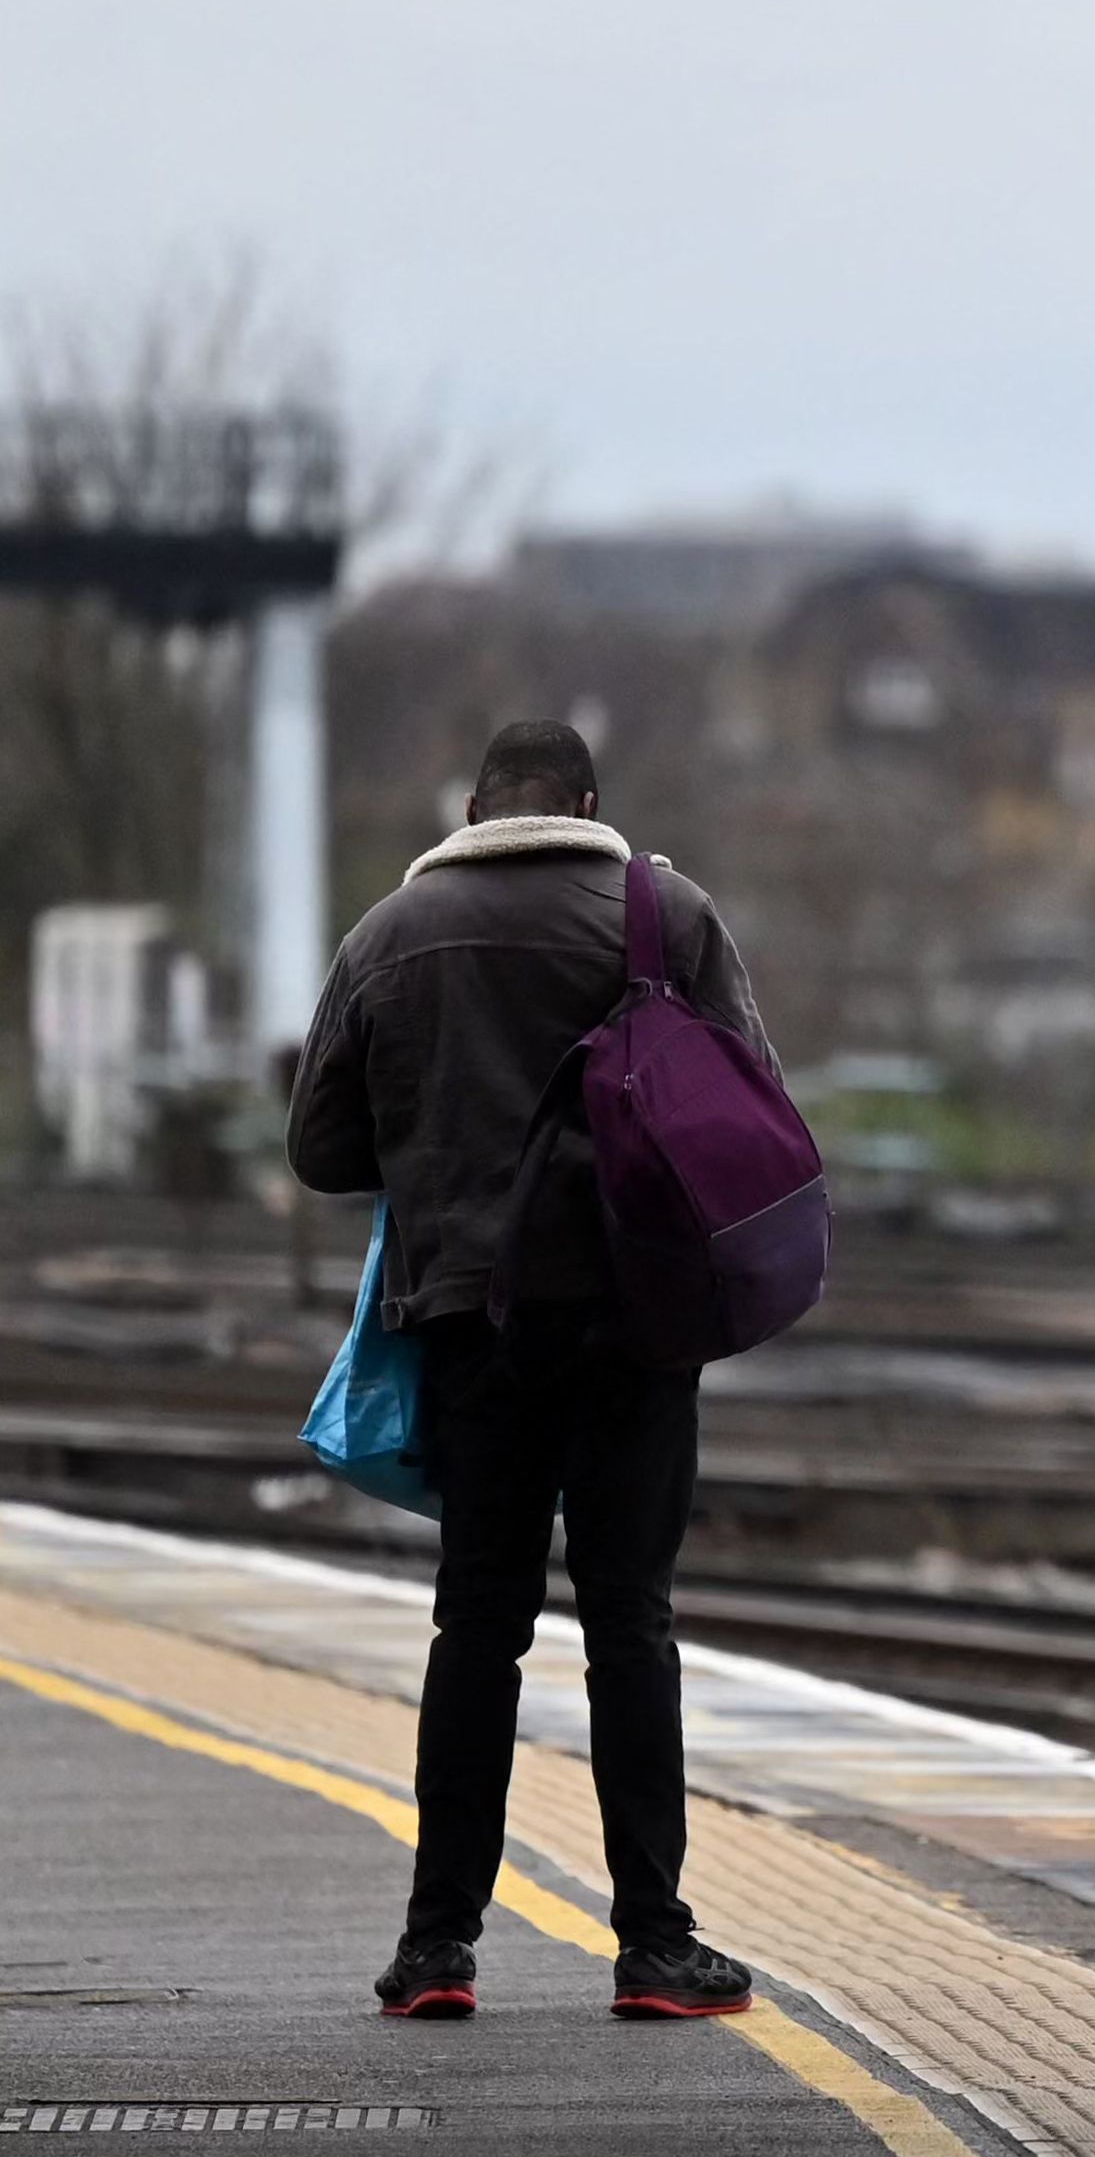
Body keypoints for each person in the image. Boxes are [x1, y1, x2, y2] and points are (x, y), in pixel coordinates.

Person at [290, 717, 773, 2023]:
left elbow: (321, 1146)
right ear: (590, 801)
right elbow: (749, 1108)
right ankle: (655, 1946)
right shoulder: (664, 911)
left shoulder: (390, 936)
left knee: (479, 1628)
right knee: (631, 1626)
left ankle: (435, 1948)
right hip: (633, 1326)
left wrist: (441, 1137)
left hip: (468, 1332)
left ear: (472, 806)